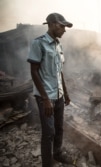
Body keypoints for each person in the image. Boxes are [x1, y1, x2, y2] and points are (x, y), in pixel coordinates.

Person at [27, 13, 75, 167]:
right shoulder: (39, 43)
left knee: (59, 128)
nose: (64, 30)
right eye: (62, 26)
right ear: (53, 24)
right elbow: (34, 72)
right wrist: (46, 99)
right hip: (46, 97)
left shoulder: (58, 45)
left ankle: (58, 153)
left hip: (59, 95)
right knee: (49, 133)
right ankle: (47, 164)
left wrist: (65, 93)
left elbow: (59, 71)